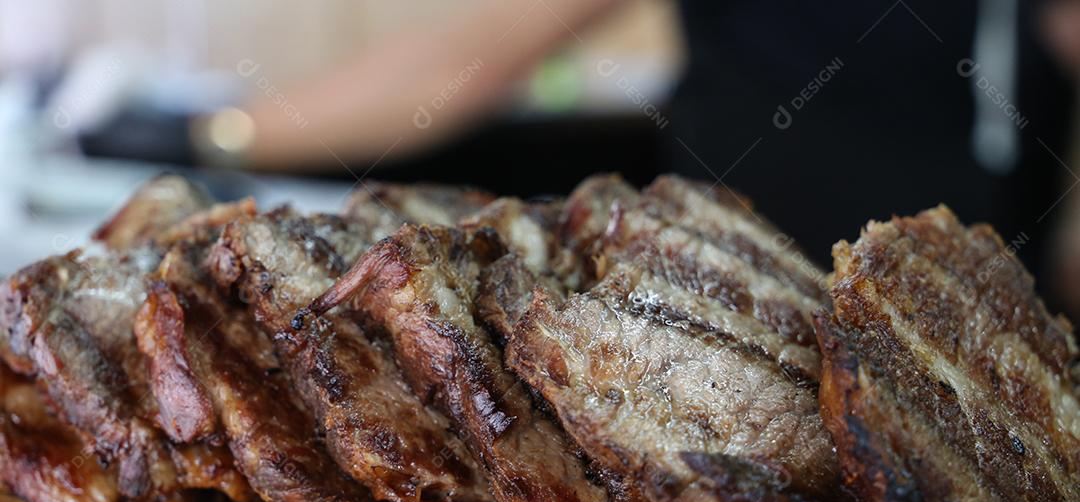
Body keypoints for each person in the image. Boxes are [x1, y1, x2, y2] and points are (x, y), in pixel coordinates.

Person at [183, 1, 1080, 314]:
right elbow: (486, 50)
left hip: (952, 310)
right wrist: (225, 133)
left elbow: (485, 52)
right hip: (707, 293)